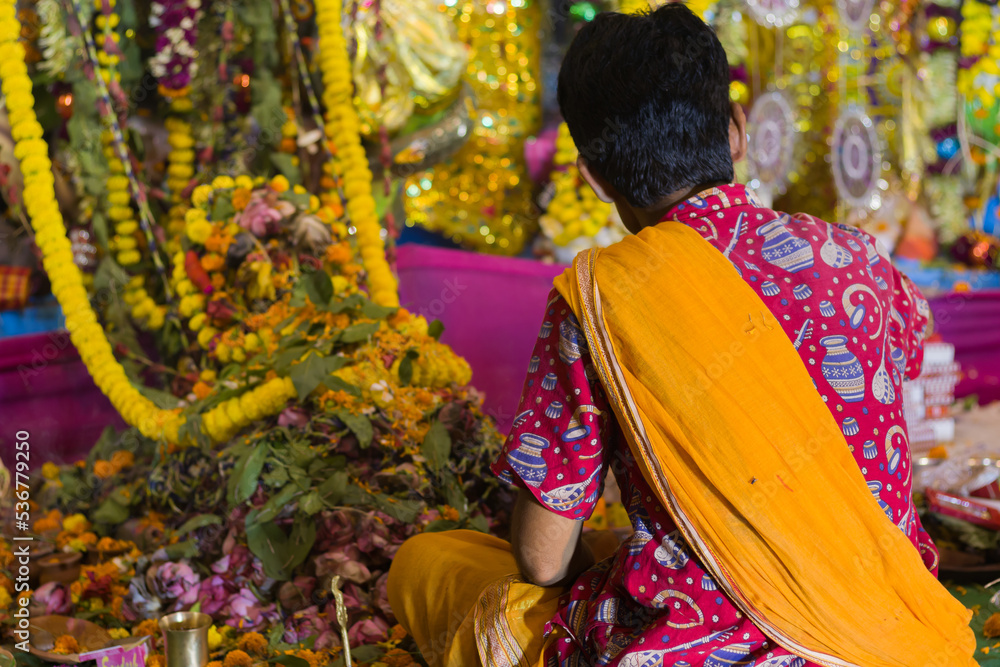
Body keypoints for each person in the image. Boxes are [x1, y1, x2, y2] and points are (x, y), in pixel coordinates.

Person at [388, 5, 976, 666]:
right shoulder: (858, 258)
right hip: (883, 636)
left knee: (432, 562)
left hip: (687, 647)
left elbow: (542, 555)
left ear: (591, 175)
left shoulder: (601, 294)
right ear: (736, 132)